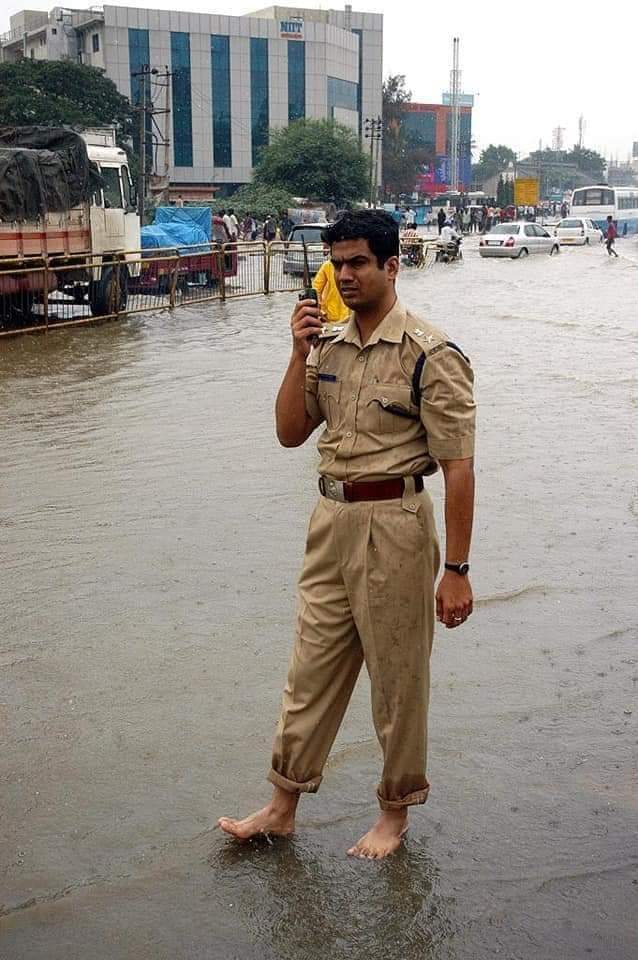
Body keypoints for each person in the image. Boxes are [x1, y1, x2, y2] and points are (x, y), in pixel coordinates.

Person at [218, 210, 476, 859]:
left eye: (360, 261)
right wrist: (297, 352)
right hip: (330, 521)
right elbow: (288, 432)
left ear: (392, 265)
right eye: (339, 262)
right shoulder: (327, 347)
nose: (347, 273)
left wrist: (458, 571)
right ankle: (282, 805)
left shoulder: (430, 353)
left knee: (397, 679)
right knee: (309, 671)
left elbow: (458, 465)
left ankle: (394, 812)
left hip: (396, 523)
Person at [312, 254, 350, 323]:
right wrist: (320, 311)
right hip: (331, 317)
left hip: (349, 317)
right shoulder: (328, 266)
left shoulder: (328, 265)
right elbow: (316, 289)